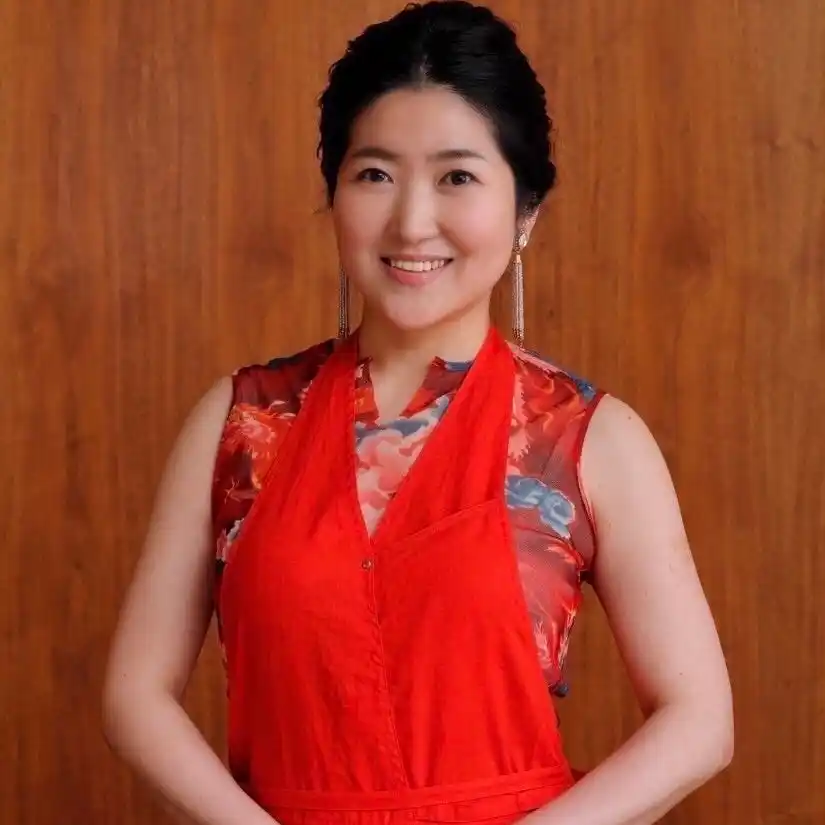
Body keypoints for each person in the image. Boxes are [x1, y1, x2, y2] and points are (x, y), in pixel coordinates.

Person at [102, 3, 734, 825]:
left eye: (456, 177)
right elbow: (136, 692)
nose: (410, 221)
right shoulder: (242, 422)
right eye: (374, 174)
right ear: (334, 194)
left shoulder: (587, 436)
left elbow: (698, 720)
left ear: (525, 211)